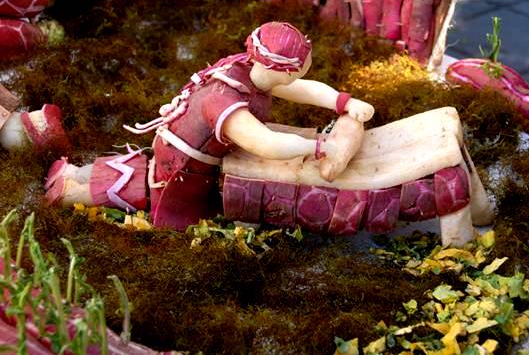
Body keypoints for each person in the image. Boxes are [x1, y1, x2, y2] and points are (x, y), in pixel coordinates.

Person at [45, 22, 375, 230]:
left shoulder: (248, 68)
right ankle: (72, 192)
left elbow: (298, 89)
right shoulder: (227, 102)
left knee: (145, 175)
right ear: (284, 70)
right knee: (157, 197)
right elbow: (264, 143)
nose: (298, 76)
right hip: (186, 167)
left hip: (175, 147)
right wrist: (318, 146)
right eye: (298, 69)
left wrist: (342, 102)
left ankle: (78, 173)